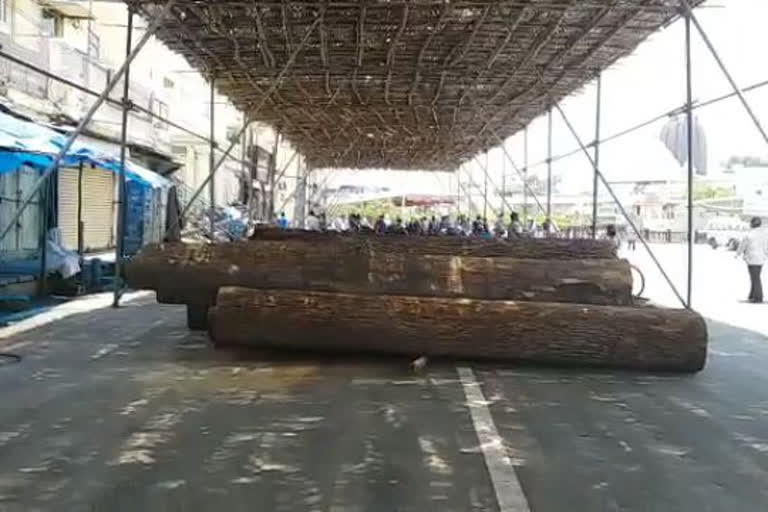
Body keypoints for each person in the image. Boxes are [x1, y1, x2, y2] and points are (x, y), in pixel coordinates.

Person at [737, 217, 768, 304]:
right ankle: (752, 295)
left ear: (752, 224)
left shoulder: (749, 234)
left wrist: (738, 253)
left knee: (755, 278)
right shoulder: (764, 235)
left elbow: (743, 245)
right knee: (755, 277)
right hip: (761, 259)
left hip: (752, 259)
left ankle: (758, 297)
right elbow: (766, 247)